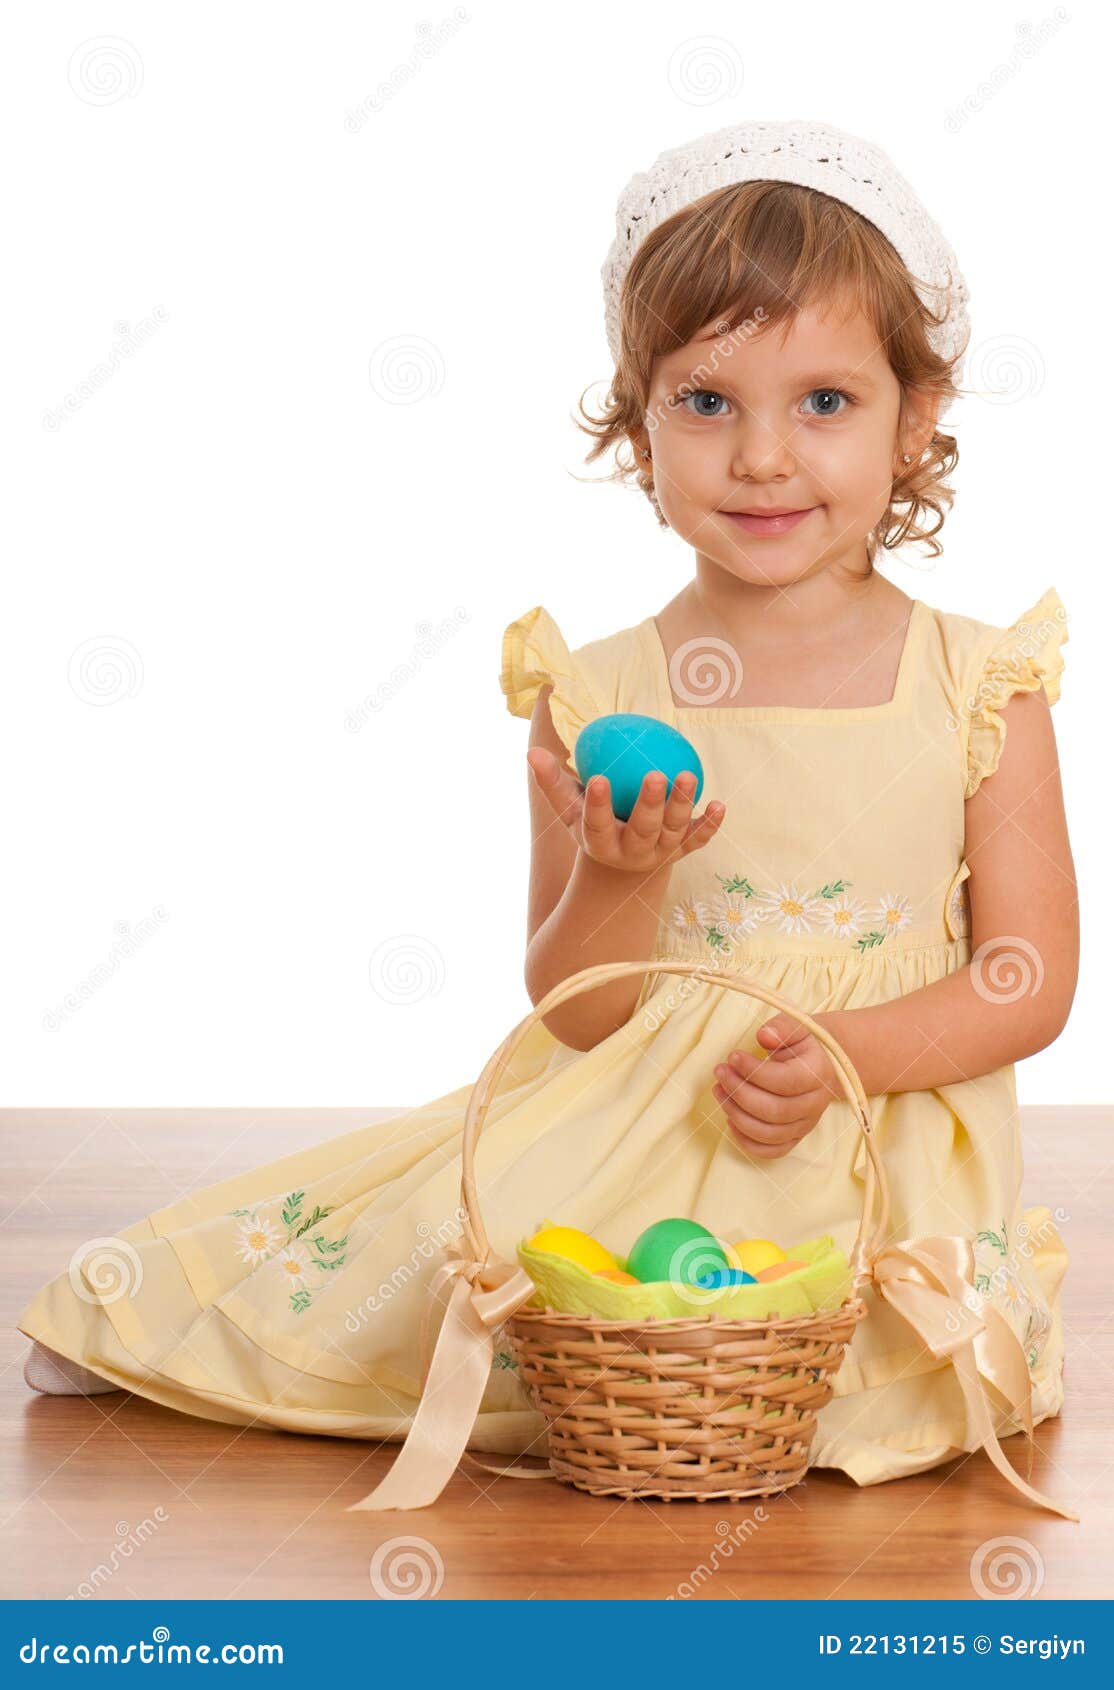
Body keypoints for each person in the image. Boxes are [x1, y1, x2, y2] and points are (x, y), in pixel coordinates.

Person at [19, 120, 1076, 1515]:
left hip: (869, 1128)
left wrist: (840, 1054)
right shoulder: (599, 693)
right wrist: (620, 874)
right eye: (706, 402)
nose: (762, 455)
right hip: (643, 1112)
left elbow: (1026, 980)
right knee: (474, 1246)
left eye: (824, 400)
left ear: (917, 416)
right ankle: (182, 1328)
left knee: (843, 1324)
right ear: (636, 422)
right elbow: (575, 1010)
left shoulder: (977, 681)